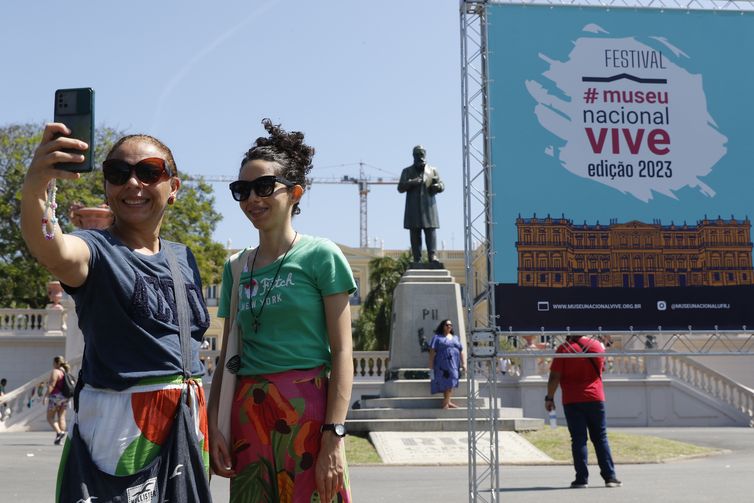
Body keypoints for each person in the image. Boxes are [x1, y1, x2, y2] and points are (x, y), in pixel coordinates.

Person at [20, 125, 211, 495]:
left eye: (149, 171)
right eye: (118, 173)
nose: (133, 184)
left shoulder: (183, 256)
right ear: (107, 187)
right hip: (121, 424)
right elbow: (51, 248)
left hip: (186, 419)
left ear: (173, 188)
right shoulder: (95, 248)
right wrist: (35, 187)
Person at [208, 119, 356, 503]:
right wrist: (214, 424)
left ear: (294, 193)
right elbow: (227, 356)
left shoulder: (321, 255)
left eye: (263, 187)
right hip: (248, 414)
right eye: (242, 190)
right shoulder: (236, 266)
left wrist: (334, 435)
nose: (252, 199)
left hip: (307, 409)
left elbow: (342, 352)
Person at [545, 335, 622, 489]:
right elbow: (602, 369)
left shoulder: (564, 349)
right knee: (600, 438)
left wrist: (549, 397)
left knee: (579, 439)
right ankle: (610, 477)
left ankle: (581, 479)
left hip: (572, 399)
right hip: (595, 397)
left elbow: (554, 377)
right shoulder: (597, 346)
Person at [397, 145, 444, 265]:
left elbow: (441, 184)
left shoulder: (432, 170)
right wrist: (412, 182)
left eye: (421, 154)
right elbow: (400, 187)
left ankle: (432, 256)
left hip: (429, 207)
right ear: (413, 156)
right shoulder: (407, 171)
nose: (420, 157)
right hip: (413, 207)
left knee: (430, 231)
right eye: (417, 154)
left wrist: (437, 186)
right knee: (415, 232)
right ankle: (417, 258)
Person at [428, 319, 465, 409]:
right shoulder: (437, 337)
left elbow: (461, 351)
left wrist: (464, 363)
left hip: (454, 363)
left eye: (450, 325)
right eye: (447, 325)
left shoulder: (455, 338)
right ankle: (447, 402)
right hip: (442, 364)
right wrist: (431, 365)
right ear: (443, 326)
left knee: (453, 378)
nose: (449, 326)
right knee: (445, 381)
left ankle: (447, 402)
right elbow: (432, 352)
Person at [43, 356, 70, 444]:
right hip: (65, 397)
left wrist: (46, 396)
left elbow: (52, 385)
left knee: (49, 417)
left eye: (53, 362)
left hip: (55, 397)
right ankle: (59, 438)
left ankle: (59, 432)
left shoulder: (56, 372)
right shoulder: (64, 372)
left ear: (56, 363)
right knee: (61, 417)